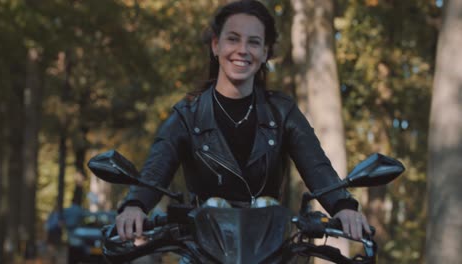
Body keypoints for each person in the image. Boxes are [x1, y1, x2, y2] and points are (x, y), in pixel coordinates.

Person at [116, 0, 371, 242]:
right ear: (216, 46)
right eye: (233, 39)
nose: (242, 50)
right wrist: (135, 206)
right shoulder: (187, 114)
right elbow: (155, 171)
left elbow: (317, 168)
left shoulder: (282, 112)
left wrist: (343, 207)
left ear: (264, 53)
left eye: (254, 42)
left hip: (268, 245)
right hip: (202, 248)